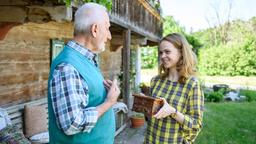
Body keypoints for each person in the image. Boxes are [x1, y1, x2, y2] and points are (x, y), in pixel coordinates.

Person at [47, 3, 120, 144]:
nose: (109, 35)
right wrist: (109, 102)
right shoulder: (67, 66)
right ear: (95, 29)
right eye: (107, 28)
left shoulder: (85, 59)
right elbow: (72, 124)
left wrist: (104, 92)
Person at [144, 33, 204, 144]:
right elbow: (150, 118)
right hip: (150, 140)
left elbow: (196, 125)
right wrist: (144, 104)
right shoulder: (155, 81)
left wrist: (173, 111)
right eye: (161, 52)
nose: (162, 56)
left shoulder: (192, 84)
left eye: (167, 52)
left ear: (181, 53)